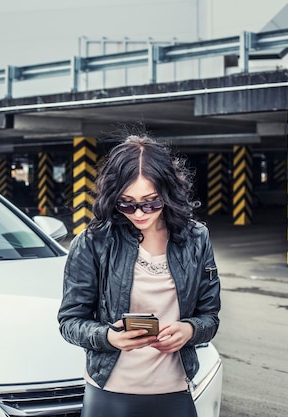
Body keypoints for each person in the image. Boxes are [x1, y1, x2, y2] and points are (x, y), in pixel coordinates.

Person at [57, 135, 221, 417]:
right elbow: (70, 321)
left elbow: (210, 317)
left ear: (168, 193)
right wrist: (109, 336)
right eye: (127, 203)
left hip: (174, 390)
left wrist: (189, 330)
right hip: (110, 391)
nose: (139, 212)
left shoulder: (196, 238)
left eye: (151, 202)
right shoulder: (93, 242)